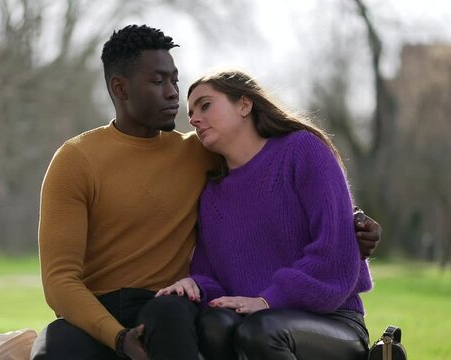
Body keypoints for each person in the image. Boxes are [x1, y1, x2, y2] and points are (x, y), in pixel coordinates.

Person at [34, 25, 380, 360]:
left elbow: (310, 207)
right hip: (98, 307)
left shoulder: (221, 153)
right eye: (158, 82)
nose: (174, 95)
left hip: (168, 306)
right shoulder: (78, 159)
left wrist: (354, 229)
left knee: (194, 320)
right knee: (55, 349)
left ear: (245, 105)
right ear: (120, 88)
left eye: (175, 81)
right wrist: (124, 332)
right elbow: (60, 278)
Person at [157, 69, 374, 360]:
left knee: (262, 330)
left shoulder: (302, 150)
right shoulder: (212, 195)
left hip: (331, 321)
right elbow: (211, 277)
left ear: (245, 105)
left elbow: (334, 253)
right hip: (256, 320)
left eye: (205, 105)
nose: (194, 119)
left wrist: (268, 300)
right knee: (213, 325)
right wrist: (195, 285)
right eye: (191, 112)